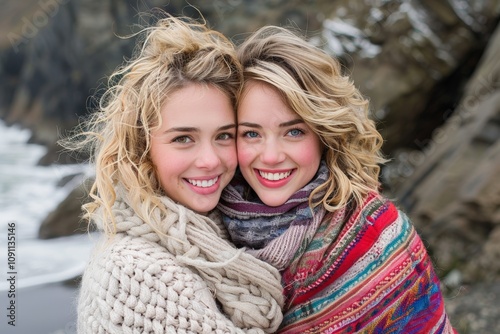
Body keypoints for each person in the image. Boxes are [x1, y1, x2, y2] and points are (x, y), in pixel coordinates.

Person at [218, 26, 456, 333]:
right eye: (251, 133)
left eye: (294, 132)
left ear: (323, 135)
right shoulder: (205, 230)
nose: (271, 155)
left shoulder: (381, 238)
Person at [68, 15, 284, 333]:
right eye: (183, 139)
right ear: (142, 147)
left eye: (224, 135)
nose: (210, 160)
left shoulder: (230, 230)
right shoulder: (135, 271)